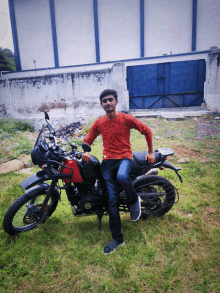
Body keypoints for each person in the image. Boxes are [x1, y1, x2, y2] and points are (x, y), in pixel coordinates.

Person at [82, 89, 155, 254]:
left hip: (124, 158)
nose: (107, 103)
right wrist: (86, 151)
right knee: (112, 201)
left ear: (116, 101)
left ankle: (133, 198)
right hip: (107, 163)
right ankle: (117, 239)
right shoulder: (99, 122)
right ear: (101, 104)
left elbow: (146, 130)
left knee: (122, 176)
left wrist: (150, 152)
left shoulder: (125, 119)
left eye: (110, 100)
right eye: (104, 101)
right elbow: (88, 139)